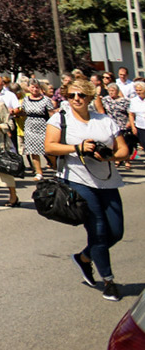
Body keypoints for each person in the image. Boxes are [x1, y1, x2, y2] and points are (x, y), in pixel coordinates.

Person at [46, 77, 129, 301]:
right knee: (99, 230)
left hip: (107, 180)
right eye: (71, 95)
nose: (76, 99)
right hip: (77, 179)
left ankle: (83, 257)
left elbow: (124, 150)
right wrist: (77, 148)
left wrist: (107, 156)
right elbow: (50, 146)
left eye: (81, 95)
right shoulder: (59, 119)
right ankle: (109, 281)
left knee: (116, 231)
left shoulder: (104, 120)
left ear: (90, 97)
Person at [22, 78, 56, 179]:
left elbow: (51, 114)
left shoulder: (46, 100)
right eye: (32, 87)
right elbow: (24, 111)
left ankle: (56, 167)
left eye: (37, 87)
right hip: (30, 126)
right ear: (29, 88)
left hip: (43, 125)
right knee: (33, 151)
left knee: (47, 150)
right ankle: (39, 172)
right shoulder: (25, 100)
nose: (35, 89)